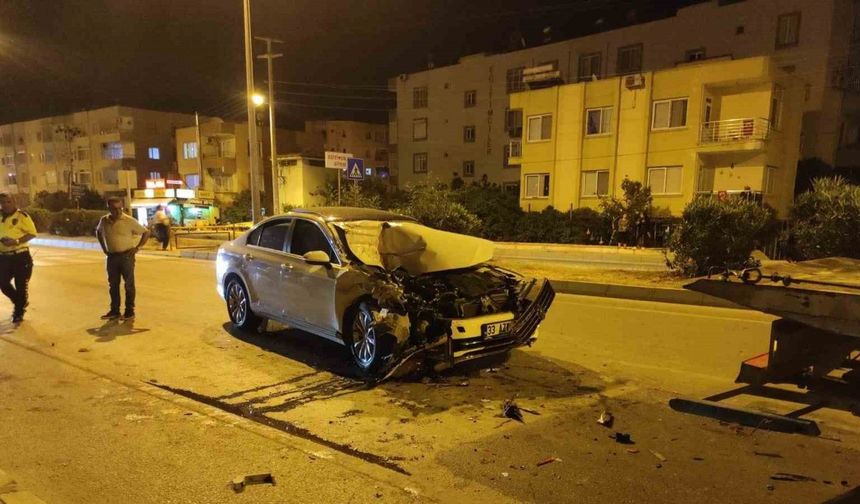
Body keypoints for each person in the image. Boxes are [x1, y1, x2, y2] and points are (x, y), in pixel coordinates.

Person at [95, 197, 150, 321]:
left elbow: (146, 232)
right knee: (113, 285)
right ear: (109, 208)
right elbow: (98, 232)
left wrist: (137, 248)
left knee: (129, 284)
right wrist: (104, 247)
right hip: (111, 257)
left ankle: (129, 311)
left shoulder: (129, 220)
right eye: (114, 208)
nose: (118, 211)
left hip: (126, 257)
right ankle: (115, 310)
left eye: (120, 208)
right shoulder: (104, 220)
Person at [0, 193, 37, 323]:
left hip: (20, 256)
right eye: (2, 202)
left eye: (8, 202)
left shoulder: (22, 216)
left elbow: (32, 233)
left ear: (14, 202)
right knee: (3, 284)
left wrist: (16, 241)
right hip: (4, 257)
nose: (5, 205)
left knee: (21, 286)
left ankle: (18, 312)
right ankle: (20, 302)